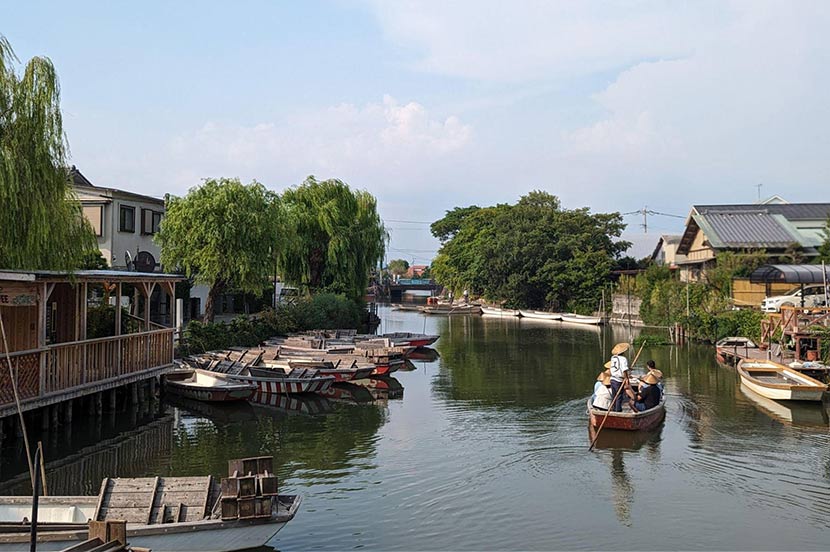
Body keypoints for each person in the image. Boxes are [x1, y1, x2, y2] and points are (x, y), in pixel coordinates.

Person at [608, 342, 630, 411]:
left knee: (614, 396)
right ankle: (618, 410)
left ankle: (614, 409)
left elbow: (618, 367)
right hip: (618, 380)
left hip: (612, 379)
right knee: (619, 396)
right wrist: (627, 379)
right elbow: (624, 370)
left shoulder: (613, 358)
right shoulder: (623, 359)